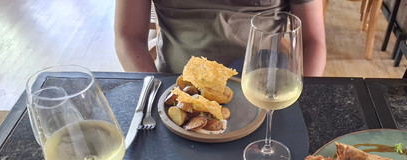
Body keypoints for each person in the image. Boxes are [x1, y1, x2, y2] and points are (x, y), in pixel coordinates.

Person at [114, 0, 326, 77]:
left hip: (262, 86)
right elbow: (128, 37)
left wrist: (303, 100)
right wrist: (153, 90)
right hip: (175, 86)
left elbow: (313, 41)